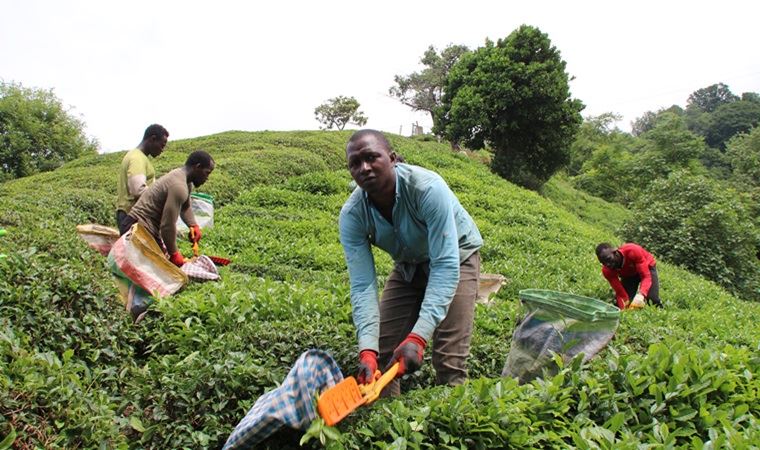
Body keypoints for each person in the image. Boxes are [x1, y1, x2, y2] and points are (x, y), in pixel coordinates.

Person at [338, 129, 483, 396]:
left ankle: (452, 425)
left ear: (392, 158)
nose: (365, 168)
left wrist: (418, 337)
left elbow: (444, 264)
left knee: (448, 359)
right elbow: (362, 286)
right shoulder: (352, 214)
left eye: (372, 157)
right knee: (381, 354)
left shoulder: (427, 188)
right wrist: (367, 349)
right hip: (408, 265)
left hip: (457, 257)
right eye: (355, 164)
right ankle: (388, 424)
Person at [123, 150, 214, 267]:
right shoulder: (179, 186)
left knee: (160, 270)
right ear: (198, 167)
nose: (207, 178)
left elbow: (186, 207)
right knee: (154, 272)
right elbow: (167, 226)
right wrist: (174, 253)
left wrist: (193, 225)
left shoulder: (186, 182)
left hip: (147, 228)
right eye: (207, 173)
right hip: (137, 227)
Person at [116, 124, 169, 235]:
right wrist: (162, 196)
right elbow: (138, 189)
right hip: (132, 216)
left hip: (130, 215)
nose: (162, 150)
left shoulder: (137, 156)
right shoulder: (137, 158)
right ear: (153, 139)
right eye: (162, 145)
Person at [596, 242, 663, 309]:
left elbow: (646, 277)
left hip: (647, 267)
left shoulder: (632, 251)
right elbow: (620, 292)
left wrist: (641, 294)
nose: (607, 264)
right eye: (603, 263)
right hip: (629, 275)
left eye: (608, 259)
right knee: (624, 303)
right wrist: (624, 308)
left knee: (652, 299)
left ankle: (660, 311)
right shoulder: (607, 271)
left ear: (615, 252)